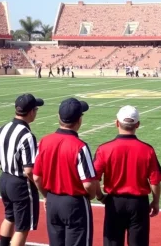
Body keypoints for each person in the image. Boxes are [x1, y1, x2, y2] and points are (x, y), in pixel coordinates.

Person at [94, 105, 161, 246]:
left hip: (114, 202)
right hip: (139, 204)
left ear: (116, 123)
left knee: (112, 242)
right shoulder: (147, 149)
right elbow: (155, 181)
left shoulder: (104, 149)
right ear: (137, 124)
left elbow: (94, 178)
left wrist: (101, 196)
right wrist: (155, 201)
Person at [33, 97, 98, 246]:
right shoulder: (79, 146)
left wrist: (46, 196)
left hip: (53, 200)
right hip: (75, 202)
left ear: (58, 117)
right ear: (79, 120)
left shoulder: (44, 141)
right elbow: (88, 184)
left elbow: (37, 177)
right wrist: (91, 196)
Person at [0, 93, 44, 246]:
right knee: (22, 227)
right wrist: (42, 190)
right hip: (20, 184)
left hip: (4, 179)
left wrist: (8, 166)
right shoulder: (26, 135)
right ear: (31, 112)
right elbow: (28, 170)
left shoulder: (1, 129)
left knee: (9, 217)